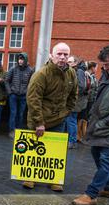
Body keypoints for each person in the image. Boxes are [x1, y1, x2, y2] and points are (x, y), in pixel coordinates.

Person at [72, 45, 109, 205]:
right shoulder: (108, 74)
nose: (106, 68)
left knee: (106, 161)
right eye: (104, 65)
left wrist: (107, 121)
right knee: (97, 154)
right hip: (99, 126)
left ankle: (91, 194)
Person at [24, 42, 77, 191]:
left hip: (59, 119)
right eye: (59, 54)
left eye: (65, 54)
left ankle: (53, 179)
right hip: (38, 119)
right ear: (52, 55)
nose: (62, 57)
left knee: (54, 151)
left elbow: (74, 94)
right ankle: (30, 177)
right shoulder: (41, 74)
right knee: (34, 149)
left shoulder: (71, 73)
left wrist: (67, 112)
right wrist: (39, 122)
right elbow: (33, 99)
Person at [5, 53, 34, 138]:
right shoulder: (13, 69)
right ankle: (12, 130)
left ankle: (18, 129)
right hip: (13, 95)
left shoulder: (30, 70)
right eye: (19, 59)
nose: (20, 61)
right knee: (13, 113)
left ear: (25, 60)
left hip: (23, 96)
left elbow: (31, 83)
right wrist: (10, 92)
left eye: (22, 59)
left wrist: (27, 92)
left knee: (21, 113)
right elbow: (6, 80)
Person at [66, 56, 89, 149]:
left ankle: (72, 141)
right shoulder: (79, 70)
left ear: (75, 62)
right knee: (71, 120)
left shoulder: (79, 71)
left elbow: (81, 86)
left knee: (71, 121)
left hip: (75, 102)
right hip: (76, 101)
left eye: (70, 62)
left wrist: (72, 95)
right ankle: (71, 140)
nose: (68, 63)